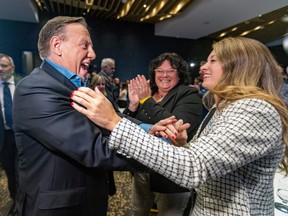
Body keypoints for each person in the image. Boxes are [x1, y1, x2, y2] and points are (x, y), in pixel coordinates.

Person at [71, 37, 288, 215]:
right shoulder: (223, 107)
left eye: (213, 61)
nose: (203, 67)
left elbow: (195, 167)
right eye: (159, 71)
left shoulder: (255, 109)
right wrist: (183, 145)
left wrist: (114, 121)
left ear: (239, 66)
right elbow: (205, 156)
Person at [12, 16, 143, 216]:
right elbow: (95, 149)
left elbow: (112, 118)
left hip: (88, 199)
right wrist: (160, 150)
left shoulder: (77, 83)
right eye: (85, 45)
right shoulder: (35, 89)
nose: (93, 53)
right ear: (57, 45)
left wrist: (148, 129)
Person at [123, 52, 202, 216]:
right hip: (142, 169)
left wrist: (146, 101)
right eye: (159, 71)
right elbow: (128, 125)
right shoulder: (148, 93)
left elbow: (175, 127)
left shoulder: (189, 94)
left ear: (179, 74)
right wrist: (132, 106)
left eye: (171, 70)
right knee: (136, 211)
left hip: (172, 176)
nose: (164, 75)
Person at [0, 53, 18, 216]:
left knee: (26, 170)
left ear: (12, 68)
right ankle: (15, 201)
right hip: (4, 139)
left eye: (4, 66)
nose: (0, 69)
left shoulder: (22, 84)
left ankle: (28, 199)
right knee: (11, 173)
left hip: (22, 136)